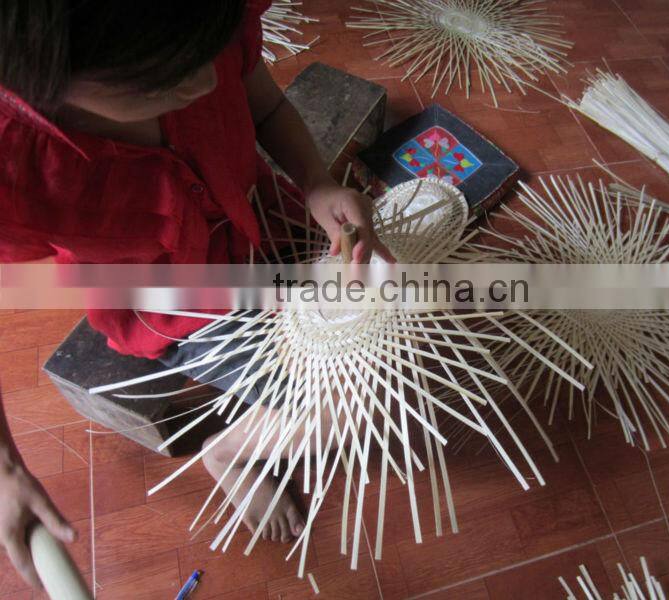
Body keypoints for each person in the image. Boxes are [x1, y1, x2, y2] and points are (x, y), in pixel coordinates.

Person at [0, 0, 393, 588]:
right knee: (357, 404)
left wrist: (316, 182)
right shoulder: (12, 160)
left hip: (267, 220)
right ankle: (229, 451)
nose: (210, 79)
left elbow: (265, 105)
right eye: (169, 77)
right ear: (45, 81)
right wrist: (5, 470)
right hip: (180, 310)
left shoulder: (195, 19)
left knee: (397, 307)